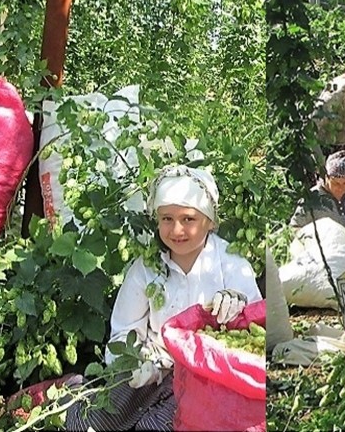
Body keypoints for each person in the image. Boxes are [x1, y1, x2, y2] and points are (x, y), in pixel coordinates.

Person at [65, 164, 262, 431]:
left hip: (208, 379)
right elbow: (123, 330)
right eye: (167, 219)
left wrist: (236, 303)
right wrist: (138, 362)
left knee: (158, 426)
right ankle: (69, 392)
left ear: (210, 221)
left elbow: (254, 331)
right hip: (152, 372)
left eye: (188, 219)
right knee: (87, 422)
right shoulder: (147, 268)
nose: (176, 230)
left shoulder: (231, 264)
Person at [289, 151, 345, 233]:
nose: (340, 188)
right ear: (326, 177)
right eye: (335, 183)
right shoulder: (311, 198)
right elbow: (294, 227)